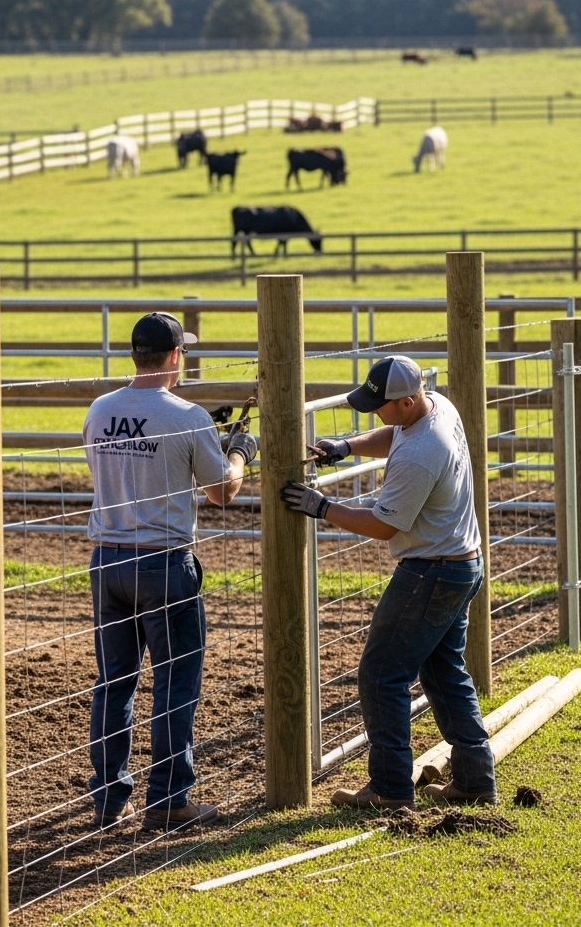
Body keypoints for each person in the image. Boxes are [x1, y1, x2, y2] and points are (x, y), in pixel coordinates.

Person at [282, 354, 496, 810]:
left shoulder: (423, 454)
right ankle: (476, 779)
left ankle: (390, 789)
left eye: (381, 405)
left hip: (430, 571)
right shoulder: (437, 405)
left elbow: (383, 526)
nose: (375, 411)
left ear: (407, 400)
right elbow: (394, 433)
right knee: (444, 672)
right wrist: (347, 446)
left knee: (381, 676)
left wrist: (321, 507)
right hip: (460, 564)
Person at [83, 312, 257, 831]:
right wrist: (240, 453)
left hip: (108, 559)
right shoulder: (187, 416)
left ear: (135, 355)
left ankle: (110, 798)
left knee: (114, 683)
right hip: (163, 562)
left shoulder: (99, 410)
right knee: (175, 683)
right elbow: (221, 491)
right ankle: (169, 798)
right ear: (177, 356)